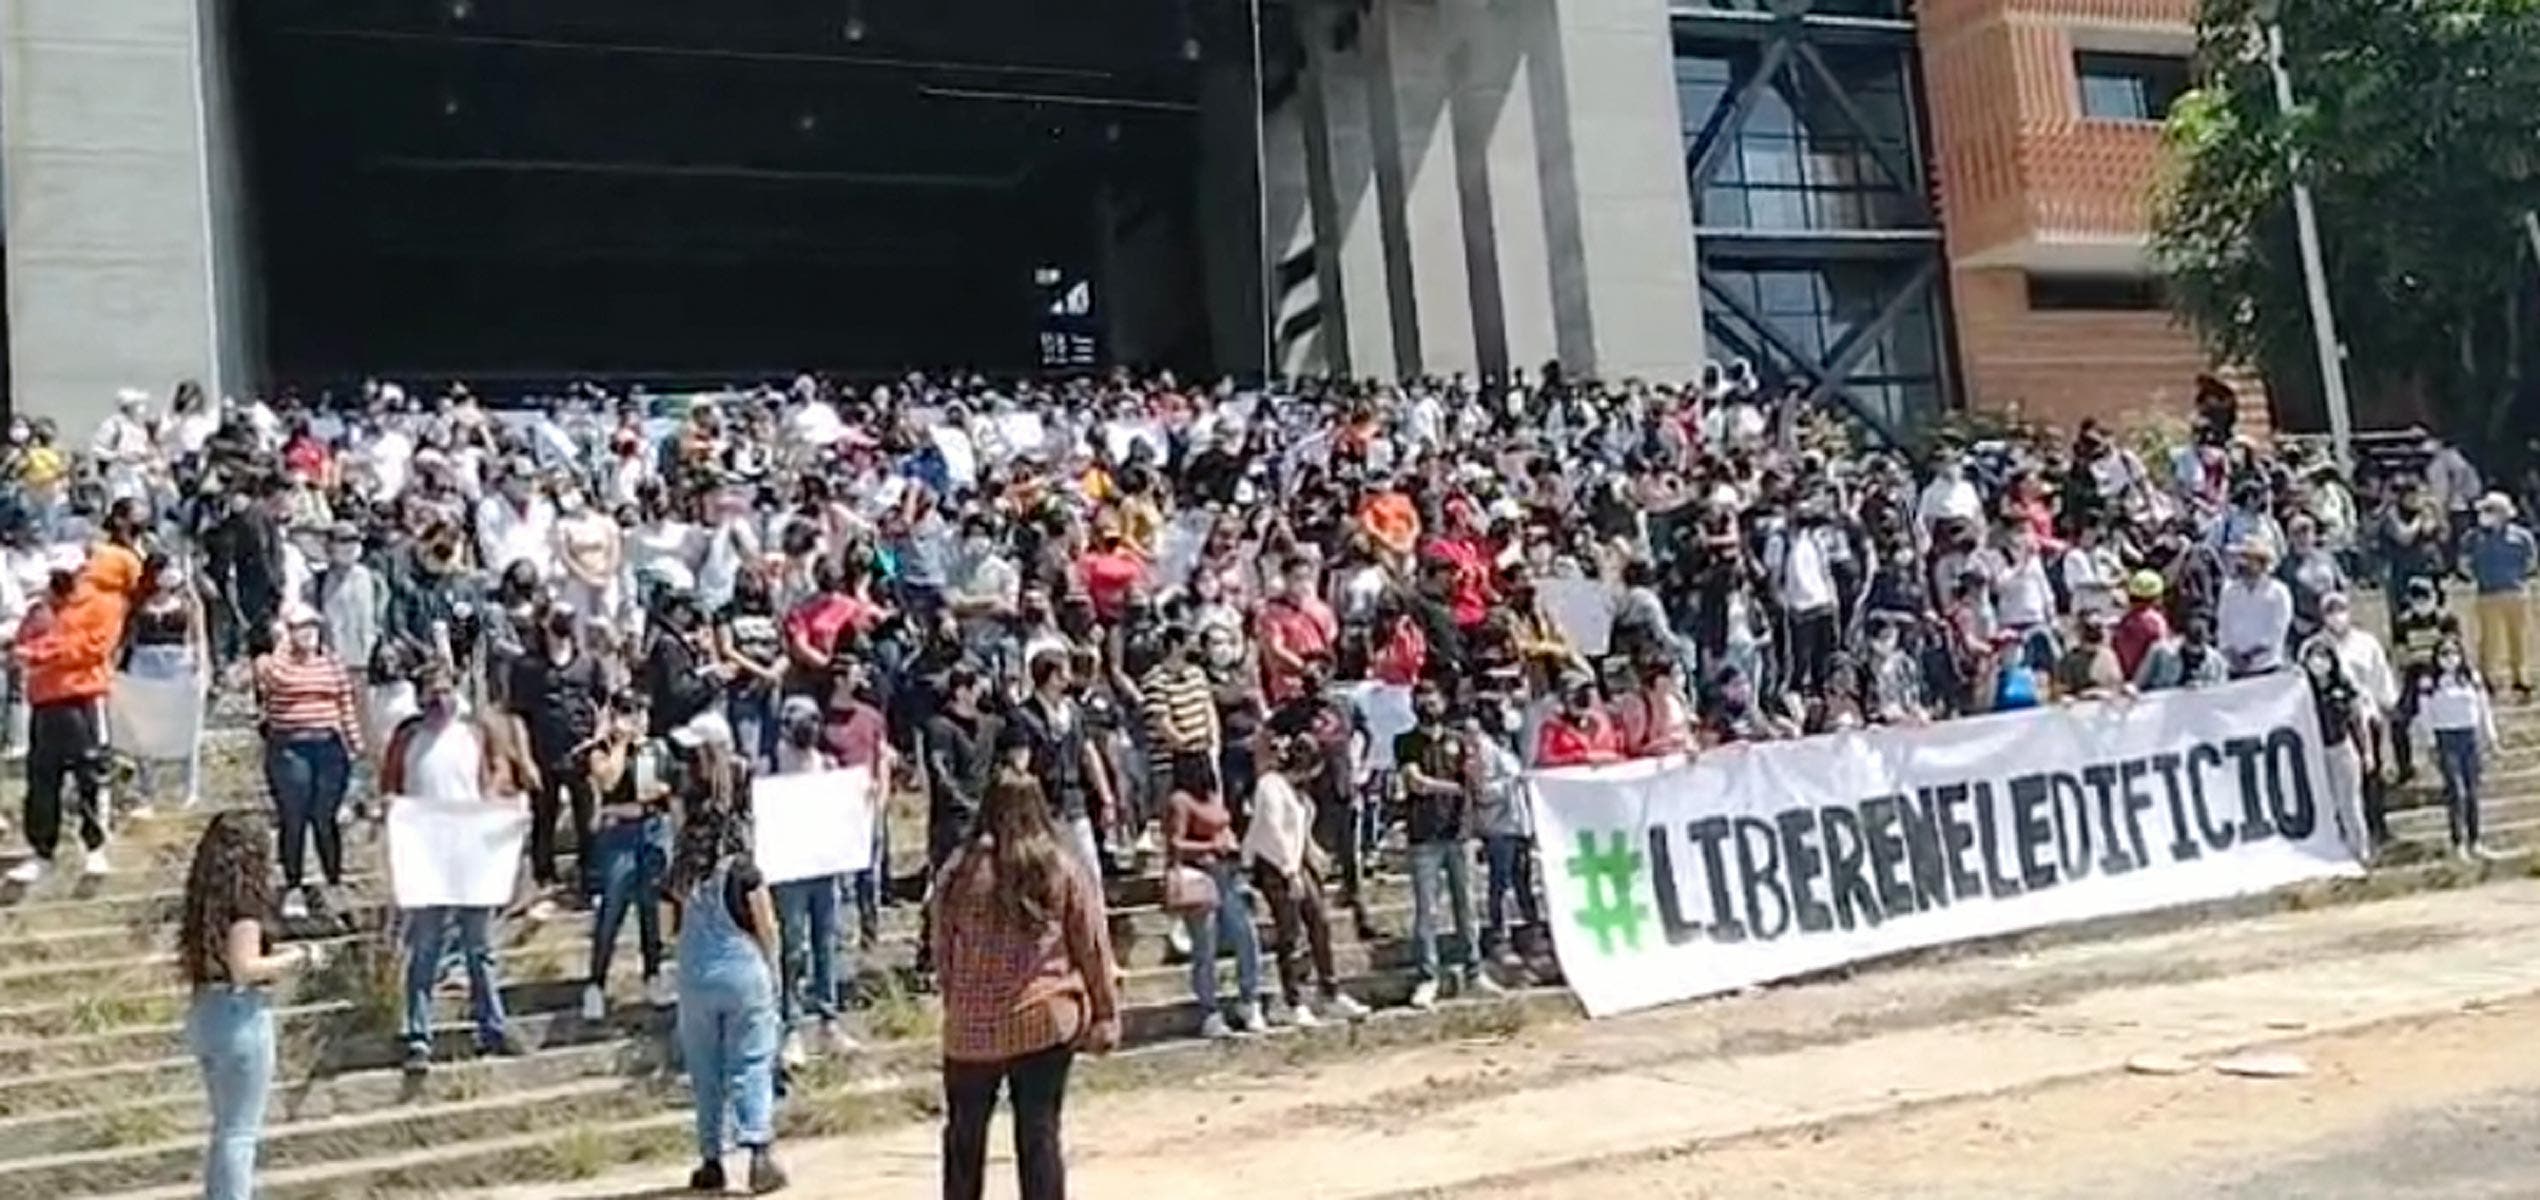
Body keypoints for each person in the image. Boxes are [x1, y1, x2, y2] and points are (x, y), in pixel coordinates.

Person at [933, 772, 1121, 1200]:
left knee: (964, 1138)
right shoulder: (1059, 868)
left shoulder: (959, 871)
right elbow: (1092, 945)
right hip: (1042, 1017)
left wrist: (956, 1000)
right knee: (1039, 1134)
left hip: (971, 1028)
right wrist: (1105, 1011)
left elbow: (942, 947)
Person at [381, 663, 529, 1076]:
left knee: (479, 947)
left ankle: (492, 1026)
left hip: (469, 852)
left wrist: (498, 805)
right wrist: (392, 809)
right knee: (425, 947)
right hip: (426, 854)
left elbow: (494, 778)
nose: (440, 701)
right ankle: (418, 1034)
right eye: (432, 694)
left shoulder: (473, 735)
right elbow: (390, 785)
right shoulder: (407, 738)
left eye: (446, 692)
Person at [179, 812, 324, 1200]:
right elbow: (244, 967)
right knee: (240, 1133)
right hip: (239, 1013)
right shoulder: (244, 902)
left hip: (206, 1011)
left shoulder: (204, 902)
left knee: (226, 1128)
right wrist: (300, 957)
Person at [666, 775, 788, 1195]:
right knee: (751, 1062)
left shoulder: (678, 878)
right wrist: (774, 970)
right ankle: (758, 1149)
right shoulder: (743, 872)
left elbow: (667, 931)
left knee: (705, 1072)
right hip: (743, 973)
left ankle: (711, 1159)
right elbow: (767, 926)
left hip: (695, 977)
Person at [7, 539, 141, 885]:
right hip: (44, 699)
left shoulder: (104, 603)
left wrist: (40, 653)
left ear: (83, 571)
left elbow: (92, 647)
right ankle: (41, 850)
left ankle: (95, 847)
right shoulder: (43, 606)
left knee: (90, 773)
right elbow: (23, 639)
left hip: (83, 696)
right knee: (41, 779)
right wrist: (27, 650)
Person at [1241, 735, 1367, 1026]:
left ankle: (1329, 991)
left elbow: (1299, 828)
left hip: (1297, 861)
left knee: (1319, 921)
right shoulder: (1269, 786)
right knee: (1290, 931)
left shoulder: (1297, 792)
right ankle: (1293, 999)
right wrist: (1290, 872)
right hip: (1274, 864)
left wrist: (1312, 851)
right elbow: (1273, 831)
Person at [253, 604, 364, 919]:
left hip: (328, 745)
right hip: (290, 746)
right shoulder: (273, 663)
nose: (309, 633)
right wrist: (281, 643)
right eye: (301, 627)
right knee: (294, 816)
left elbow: (344, 701)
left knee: (325, 816)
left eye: (313, 626)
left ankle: (333, 880)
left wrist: (355, 742)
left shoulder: (332, 662)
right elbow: (273, 681)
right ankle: (293, 884)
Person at [1394, 680, 1500, 1009]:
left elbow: (1476, 782)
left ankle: (1474, 970)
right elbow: (1415, 782)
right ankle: (1428, 976)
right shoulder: (1406, 742)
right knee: (1427, 910)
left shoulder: (1459, 740)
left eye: (1433, 700)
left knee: (1466, 905)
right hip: (1424, 834)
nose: (1427, 706)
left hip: (1459, 832)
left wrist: (1476, 759)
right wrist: (1453, 788)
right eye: (1421, 700)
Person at [769, 693, 858, 1063]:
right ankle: (791, 1026)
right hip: (788, 870)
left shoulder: (827, 765)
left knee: (826, 943)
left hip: (823, 866)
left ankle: (828, 1021)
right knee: (792, 948)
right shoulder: (771, 765)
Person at [580, 690, 676, 1021]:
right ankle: (596, 982)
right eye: (627, 712)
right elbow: (607, 781)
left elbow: (669, 787)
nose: (635, 719)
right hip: (618, 834)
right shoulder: (601, 750)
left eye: (639, 712)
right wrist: (619, 742)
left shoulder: (657, 748)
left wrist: (664, 792)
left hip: (652, 828)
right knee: (612, 906)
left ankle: (653, 973)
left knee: (651, 906)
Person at [507, 602, 605, 916]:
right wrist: (524, 760)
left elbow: (603, 703)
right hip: (542, 754)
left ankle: (590, 883)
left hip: (581, 754)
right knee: (543, 820)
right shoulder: (527, 666)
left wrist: (598, 741)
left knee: (587, 820)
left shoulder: (589, 663)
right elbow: (517, 716)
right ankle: (543, 882)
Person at [1163, 751, 1264, 1037]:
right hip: (1200, 876)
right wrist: (1210, 847)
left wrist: (1229, 842)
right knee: (1204, 947)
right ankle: (1209, 1010)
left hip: (1225, 874)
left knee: (1245, 933)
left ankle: (1249, 998)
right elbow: (1175, 844)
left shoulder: (1214, 796)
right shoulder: (1180, 800)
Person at [120, 552, 210, 814]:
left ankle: (189, 790)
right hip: (144, 665)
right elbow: (127, 640)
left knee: (186, 727)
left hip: (178, 663)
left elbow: (199, 637)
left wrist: (203, 668)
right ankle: (147, 791)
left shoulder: (188, 602)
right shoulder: (138, 604)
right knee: (144, 731)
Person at [2413, 635, 2498, 860]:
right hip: (2446, 738)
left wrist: (2490, 735)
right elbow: (2425, 712)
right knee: (2456, 791)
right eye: (2444, 653)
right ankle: (2458, 841)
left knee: (2472, 791)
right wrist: (2430, 741)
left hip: (2469, 735)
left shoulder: (2471, 677)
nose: (2450, 658)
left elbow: (2483, 707)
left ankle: (2475, 840)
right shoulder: (2429, 682)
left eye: (2454, 652)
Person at [2459, 490, 2536, 698]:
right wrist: (2479, 577)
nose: (2485, 514)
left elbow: (2531, 562)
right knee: (2489, 640)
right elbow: (2464, 564)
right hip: (2487, 594)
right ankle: (2488, 677)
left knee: (2518, 638)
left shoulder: (2522, 536)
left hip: (2516, 593)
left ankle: (2520, 678)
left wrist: (2516, 577)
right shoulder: (2472, 538)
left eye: (2490, 510)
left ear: (2503, 512)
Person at [2215, 541, 2292, 677]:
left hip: (2267, 666)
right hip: (2235, 668)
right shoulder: (2229, 591)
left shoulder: (2278, 592)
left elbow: (2278, 630)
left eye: (2249, 558)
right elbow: (2223, 627)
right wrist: (2231, 654)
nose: (2243, 563)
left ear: (2262, 562)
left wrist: (2253, 655)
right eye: (2241, 557)